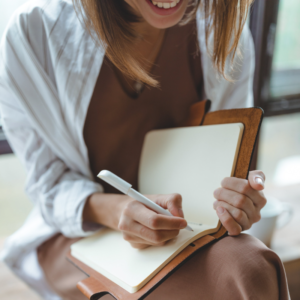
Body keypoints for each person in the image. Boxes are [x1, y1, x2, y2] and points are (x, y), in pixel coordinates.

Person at [0, 0, 290, 299]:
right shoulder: (35, 31)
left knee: (250, 267)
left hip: (184, 230)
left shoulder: (222, 29)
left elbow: (227, 152)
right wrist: (120, 211)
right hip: (81, 232)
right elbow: (48, 183)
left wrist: (237, 196)